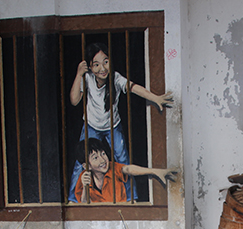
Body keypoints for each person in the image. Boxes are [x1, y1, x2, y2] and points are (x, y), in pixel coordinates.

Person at [69, 42, 173, 202]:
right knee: (81, 162)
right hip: (91, 125)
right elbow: (75, 100)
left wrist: (155, 98)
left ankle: (131, 198)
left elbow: (134, 88)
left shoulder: (116, 78)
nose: (102, 68)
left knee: (122, 160)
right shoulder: (88, 78)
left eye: (105, 61)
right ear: (89, 67)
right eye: (96, 64)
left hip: (112, 126)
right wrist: (78, 74)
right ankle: (74, 200)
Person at [72, 137, 176, 204]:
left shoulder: (113, 168)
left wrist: (155, 171)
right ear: (87, 166)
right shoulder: (84, 177)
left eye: (103, 153)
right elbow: (84, 204)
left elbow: (128, 169)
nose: (102, 159)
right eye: (95, 158)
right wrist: (85, 186)